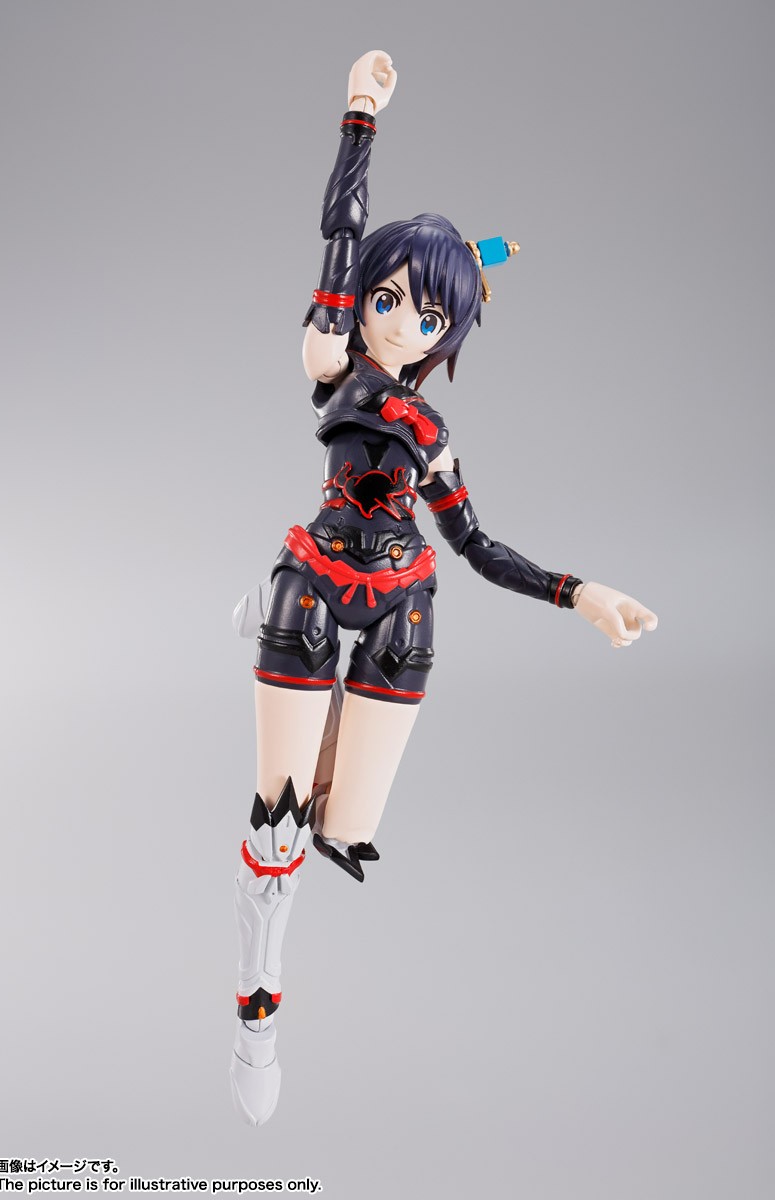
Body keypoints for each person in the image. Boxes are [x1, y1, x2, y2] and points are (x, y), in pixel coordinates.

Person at [230, 51, 658, 1126]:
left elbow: (477, 545)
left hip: (404, 610)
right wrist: (359, 117)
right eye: (389, 299)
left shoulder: (436, 435)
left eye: (426, 315)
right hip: (312, 584)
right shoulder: (334, 361)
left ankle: (307, 806)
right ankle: (256, 1017)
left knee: (343, 824)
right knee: (277, 827)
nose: (399, 321)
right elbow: (339, 235)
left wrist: (580, 592)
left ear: (449, 332)